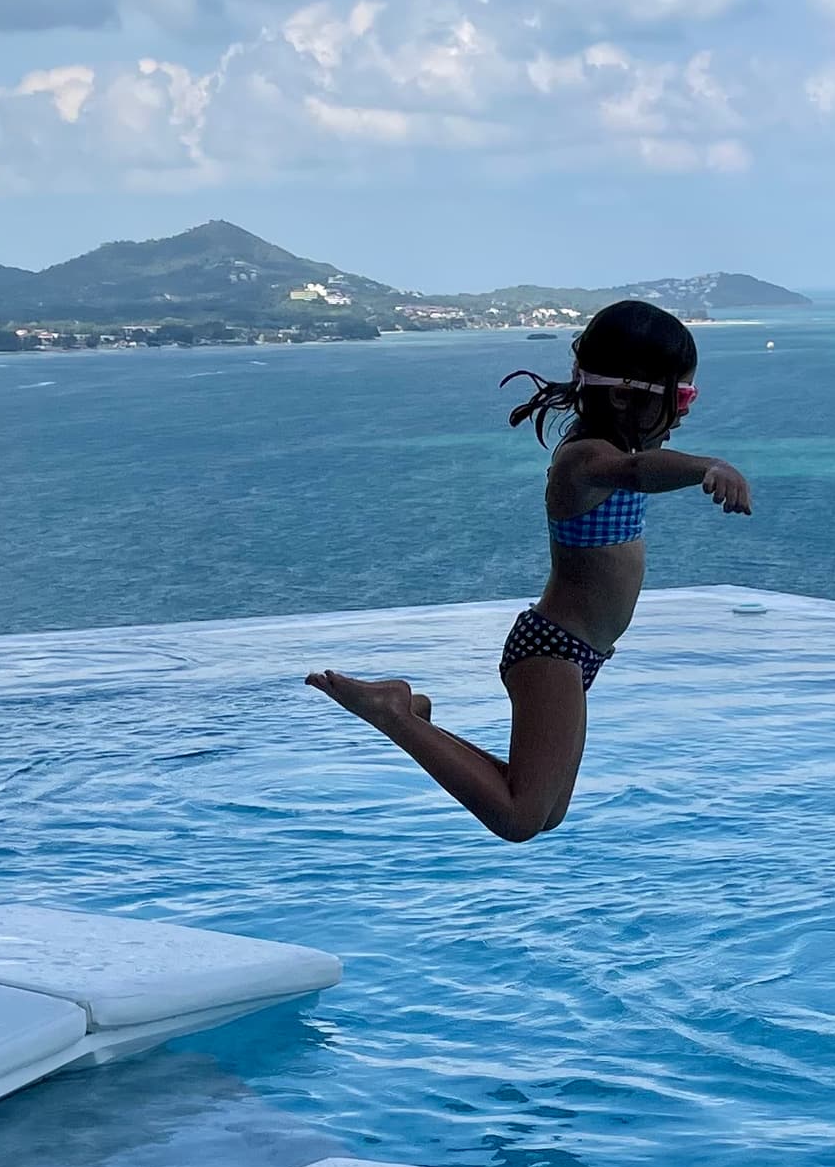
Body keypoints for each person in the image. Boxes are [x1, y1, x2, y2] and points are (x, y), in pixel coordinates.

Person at [309, 299, 752, 841]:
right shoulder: (585, 460)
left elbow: (642, 460)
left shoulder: (612, 448)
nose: (686, 409)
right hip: (552, 651)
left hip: (577, 654)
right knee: (518, 817)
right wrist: (709, 465)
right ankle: (392, 714)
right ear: (620, 394)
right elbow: (639, 470)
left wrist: (669, 433)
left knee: (545, 810)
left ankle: (412, 716)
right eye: (679, 395)